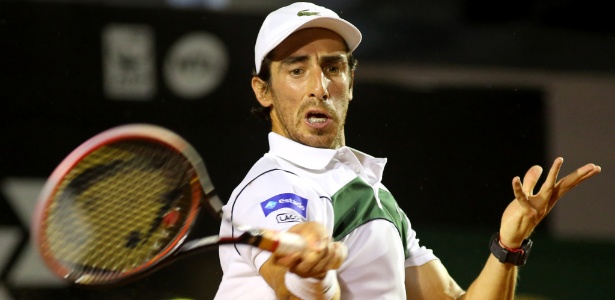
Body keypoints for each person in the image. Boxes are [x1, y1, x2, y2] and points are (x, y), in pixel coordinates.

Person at [214, 2, 602, 299]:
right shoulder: (266, 190)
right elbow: (291, 288)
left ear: (350, 81)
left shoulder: (373, 194)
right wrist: (311, 274)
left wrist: (509, 243)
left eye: (333, 68)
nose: (320, 85)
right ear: (262, 90)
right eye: (296, 70)